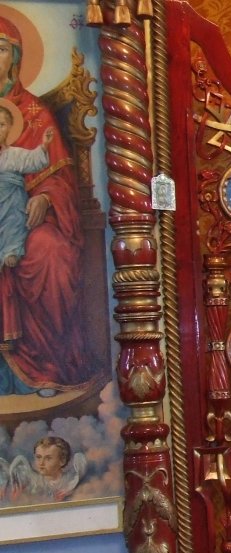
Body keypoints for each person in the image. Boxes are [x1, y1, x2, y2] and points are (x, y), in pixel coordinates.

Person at [0, 16, 94, 396]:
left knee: (50, 252)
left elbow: (59, 176)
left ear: (16, 57)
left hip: (23, 218)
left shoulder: (35, 114)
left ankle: (49, 365)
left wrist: (44, 197)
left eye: (0, 48)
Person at [0, 105, 53, 268]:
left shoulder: (15, 154)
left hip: (12, 199)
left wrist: (44, 146)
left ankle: (12, 250)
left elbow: (33, 160)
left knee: (14, 220)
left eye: (1, 125)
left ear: (9, 128)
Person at [0, 436, 86, 502]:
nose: (41, 463)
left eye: (48, 458)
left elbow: (80, 459)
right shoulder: (33, 480)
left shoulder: (70, 481)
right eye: (38, 457)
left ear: (62, 461)